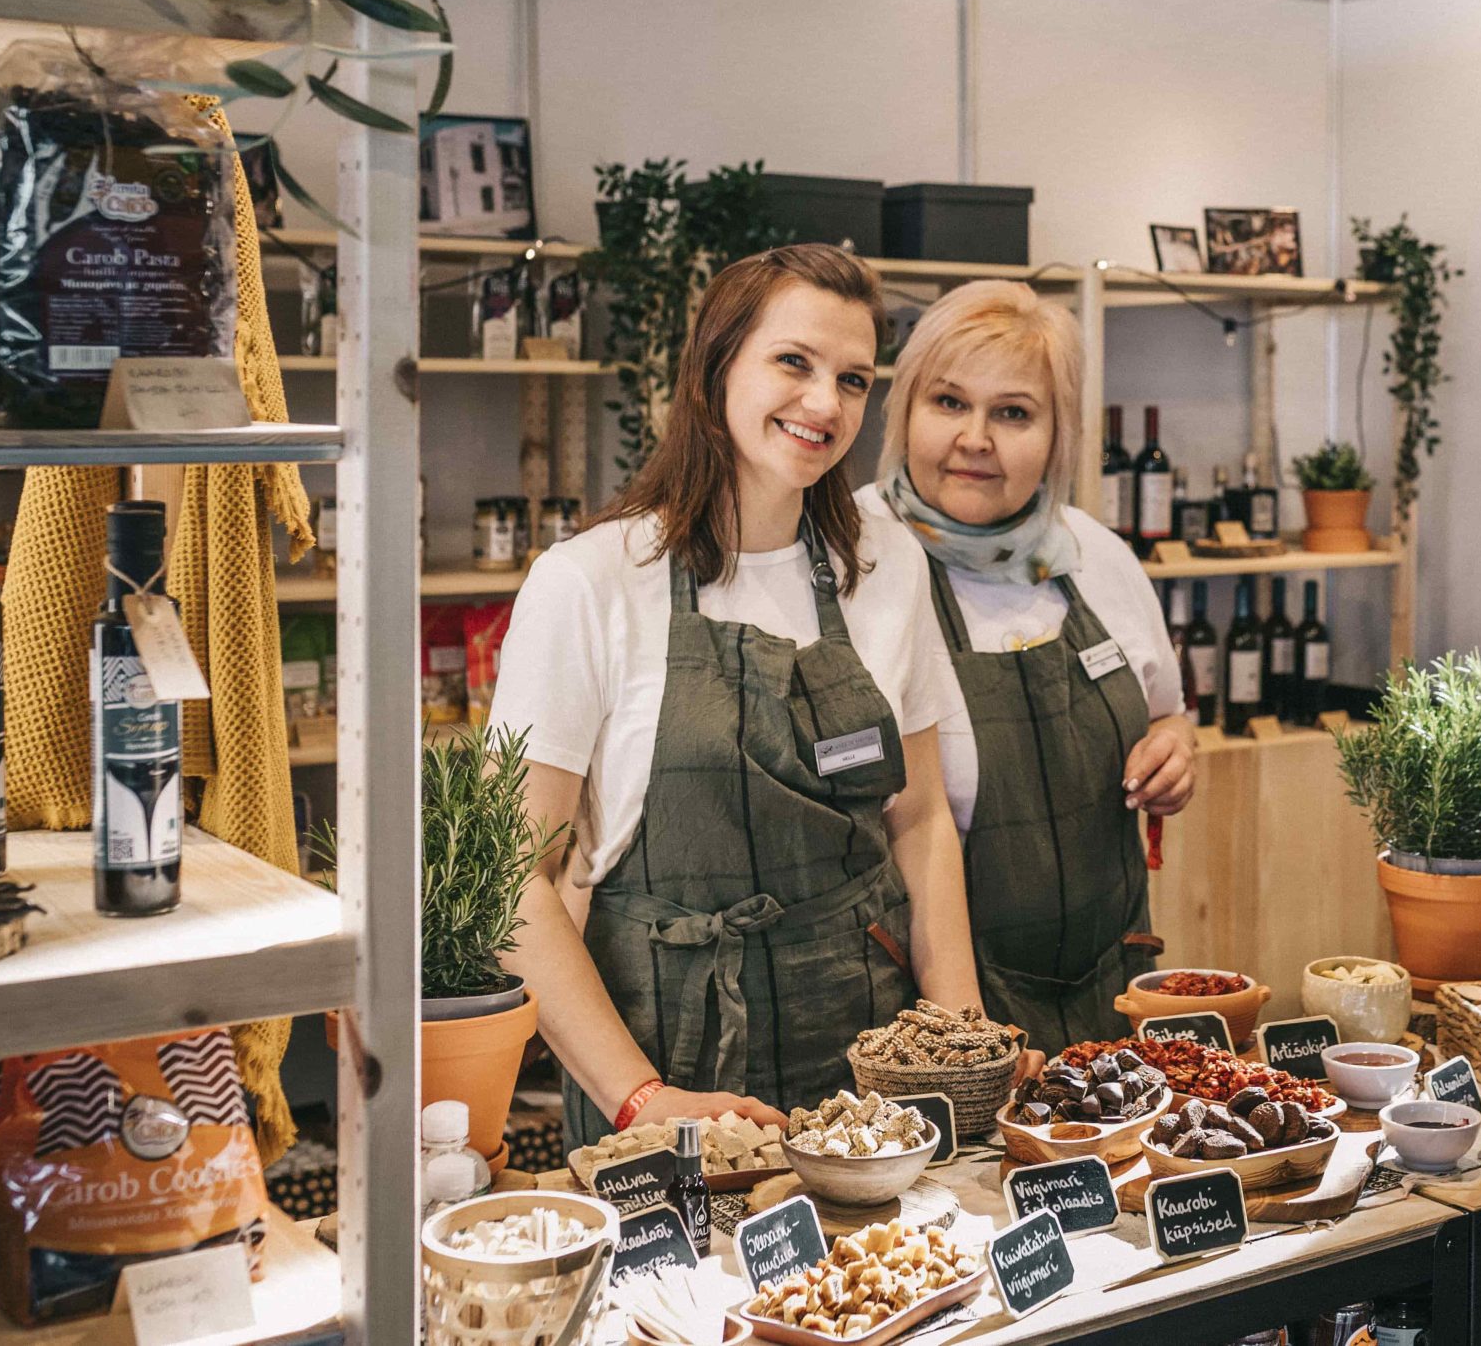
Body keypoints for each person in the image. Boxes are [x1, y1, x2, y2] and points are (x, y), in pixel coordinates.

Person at [491, 245, 980, 1142]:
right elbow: (509, 880)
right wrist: (642, 1100)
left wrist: (960, 1045)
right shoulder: (588, 582)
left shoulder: (885, 563)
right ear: (716, 365)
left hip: (871, 1070)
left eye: (855, 378)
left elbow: (920, 819)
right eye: (793, 362)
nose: (825, 403)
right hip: (665, 1070)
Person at [861, 281, 1195, 1053]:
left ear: (1057, 433)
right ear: (905, 408)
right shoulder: (855, 561)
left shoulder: (1095, 554)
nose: (977, 437)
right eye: (948, 402)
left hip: (1113, 992)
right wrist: (971, 1038)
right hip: (929, 1014)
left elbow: (1169, 711)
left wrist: (1176, 749)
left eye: (1013, 412)